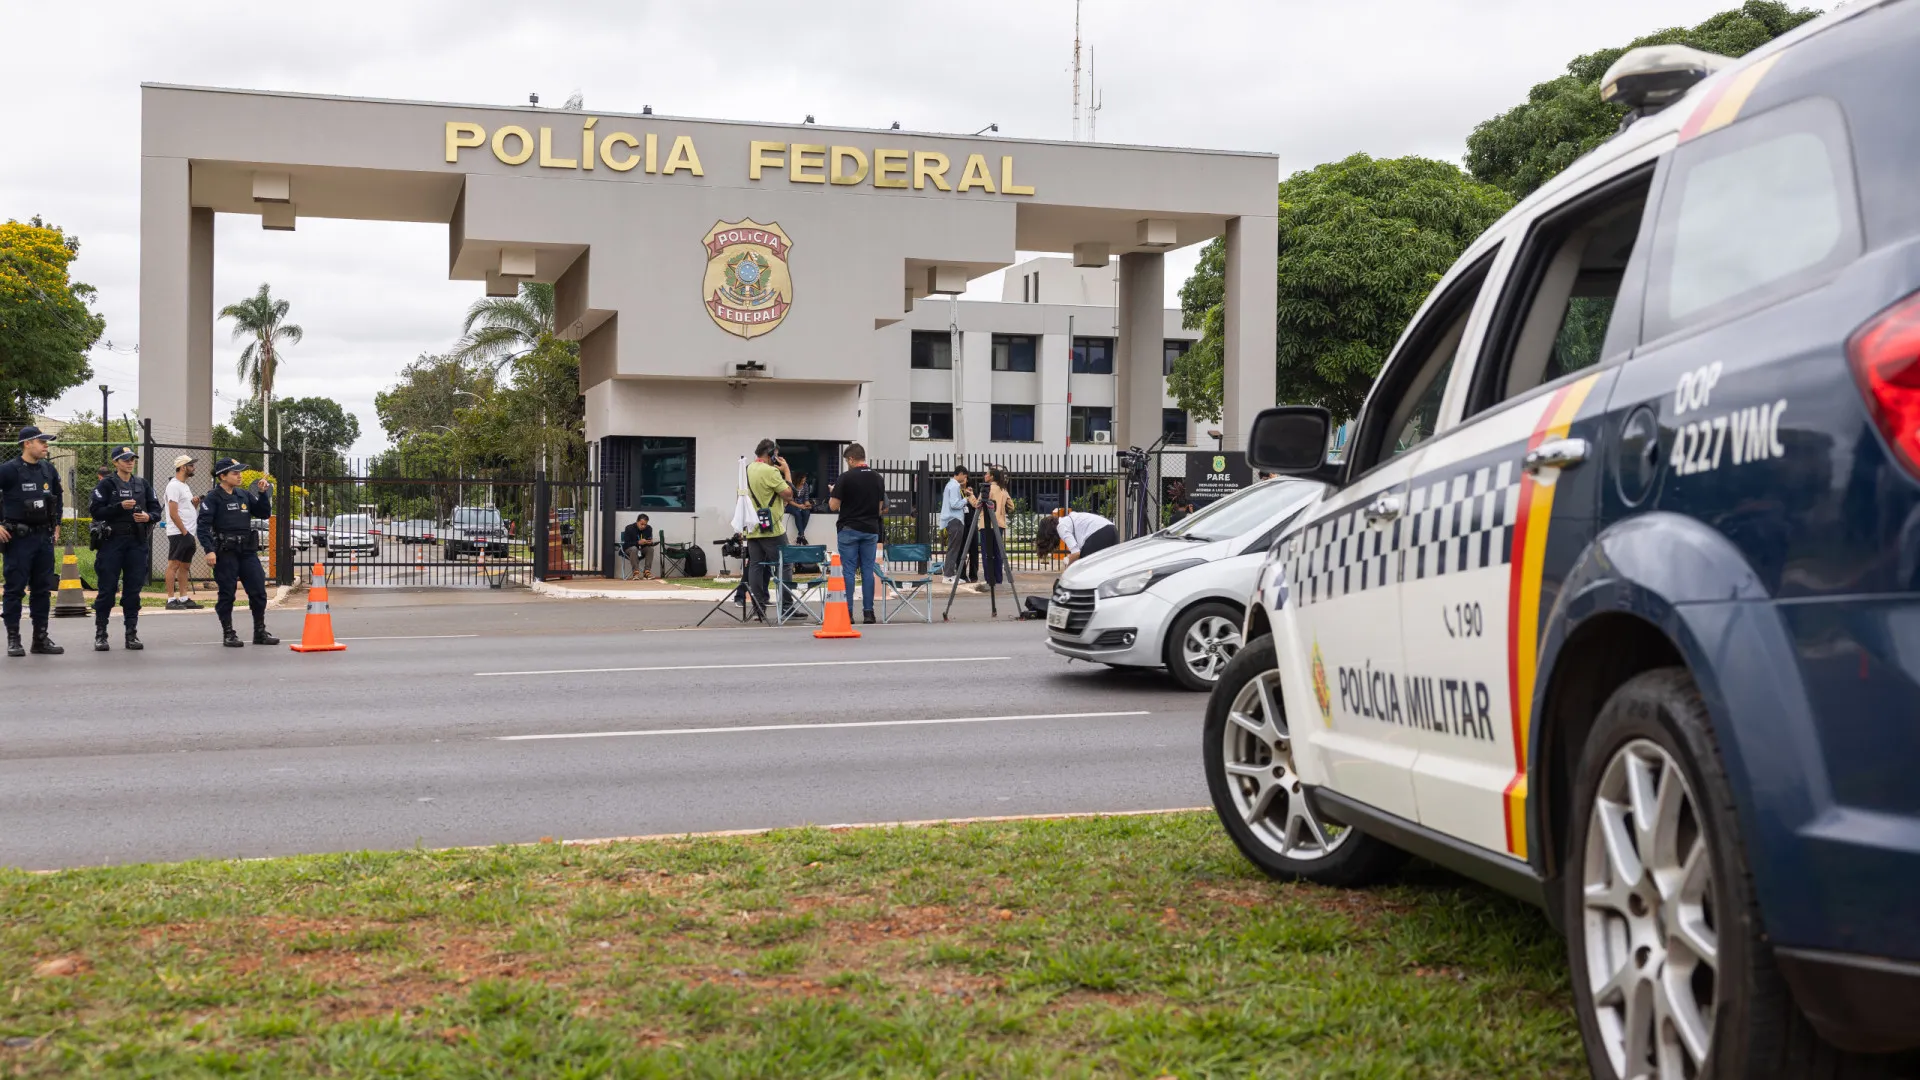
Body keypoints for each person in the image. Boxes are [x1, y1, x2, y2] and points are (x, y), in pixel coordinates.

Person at [196, 458, 279, 648]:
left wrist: (262, 493)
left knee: (258, 591)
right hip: (226, 552)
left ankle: (260, 632)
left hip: (247, 551)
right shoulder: (213, 497)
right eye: (235, 473)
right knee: (227, 593)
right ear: (222, 476)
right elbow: (203, 527)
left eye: (240, 472)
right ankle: (229, 633)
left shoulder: (243, 494)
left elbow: (263, 513)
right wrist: (209, 550)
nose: (239, 476)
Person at [89, 445, 162, 651]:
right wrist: (119, 507)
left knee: (133, 591)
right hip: (112, 542)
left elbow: (156, 510)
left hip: (136, 542)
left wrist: (148, 517)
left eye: (132, 459)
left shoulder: (142, 484)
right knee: (107, 589)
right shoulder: (106, 484)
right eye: (125, 459)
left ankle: (131, 634)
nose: (130, 462)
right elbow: (95, 511)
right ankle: (101, 634)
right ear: (115, 462)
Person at [0, 425, 65, 657]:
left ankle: (40, 639)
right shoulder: (9, 470)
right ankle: (13, 639)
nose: (46, 446)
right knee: (15, 589)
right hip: (18, 539)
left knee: (42, 589)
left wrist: (57, 524)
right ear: (27, 444)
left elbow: (57, 498)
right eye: (41, 442)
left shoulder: (48, 469)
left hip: (43, 538)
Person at [828, 443, 886, 624]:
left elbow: (833, 506)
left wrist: (833, 492)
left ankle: (848, 613)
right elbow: (879, 508)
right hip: (870, 530)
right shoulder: (878, 478)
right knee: (868, 570)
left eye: (847, 461)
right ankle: (869, 613)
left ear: (852, 459)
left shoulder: (845, 478)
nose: (847, 464)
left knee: (849, 571)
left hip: (849, 529)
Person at [741, 439, 795, 622]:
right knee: (784, 564)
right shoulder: (771, 471)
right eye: (776, 455)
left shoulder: (746, 470)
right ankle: (787, 606)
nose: (777, 458)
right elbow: (789, 494)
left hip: (752, 525)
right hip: (772, 528)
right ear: (771, 454)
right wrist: (786, 471)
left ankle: (758, 608)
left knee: (755, 565)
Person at [163, 454, 202, 609]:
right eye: (191, 465)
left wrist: (195, 504)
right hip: (179, 533)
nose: (194, 468)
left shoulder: (184, 486)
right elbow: (173, 513)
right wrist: (184, 532)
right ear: (183, 467)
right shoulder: (173, 486)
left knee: (185, 566)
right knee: (174, 564)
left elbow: (186, 509)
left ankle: (184, 598)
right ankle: (170, 600)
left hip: (188, 533)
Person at [971, 465, 1013, 592]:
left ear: (992, 476)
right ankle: (998, 578)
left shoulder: (986, 489)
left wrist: (971, 496)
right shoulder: (1003, 490)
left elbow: (977, 505)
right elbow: (1011, 506)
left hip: (986, 525)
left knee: (987, 553)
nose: (985, 476)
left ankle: (989, 579)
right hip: (999, 524)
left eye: (987, 474)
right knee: (998, 552)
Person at [1036, 507, 1120, 565]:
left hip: (1100, 532)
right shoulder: (1069, 520)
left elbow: (1076, 553)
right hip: (1112, 530)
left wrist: (1068, 570)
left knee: (1083, 564)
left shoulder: (1061, 527)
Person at [937, 465, 973, 584]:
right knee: (953, 549)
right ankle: (948, 576)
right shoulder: (954, 486)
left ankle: (949, 575)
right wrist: (966, 499)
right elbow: (954, 504)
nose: (965, 479)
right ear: (960, 474)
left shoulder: (950, 485)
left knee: (953, 548)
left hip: (951, 520)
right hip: (955, 520)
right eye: (965, 476)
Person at [620, 513, 658, 579]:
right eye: (641, 524)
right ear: (637, 521)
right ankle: (635, 573)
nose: (643, 526)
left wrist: (650, 542)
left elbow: (649, 539)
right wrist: (638, 542)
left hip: (642, 549)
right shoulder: (629, 528)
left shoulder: (648, 528)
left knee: (650, 549)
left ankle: (647, 572)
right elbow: (627, 543)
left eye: (645, 524)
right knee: (634, 548)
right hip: (630, 549)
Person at [788, 473, 815, 545]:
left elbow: (806, 499)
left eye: (804, 480)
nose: (803, 482)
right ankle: (802, 536)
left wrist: (808, 505)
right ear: (797, 480)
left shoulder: (805, 485)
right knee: (797, 513)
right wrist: (799, 506)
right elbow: (789, 500)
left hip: (801, 505)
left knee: (807, 512)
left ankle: (799, 536)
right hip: (791, 505)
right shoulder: (791, 486)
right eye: (802, 481)